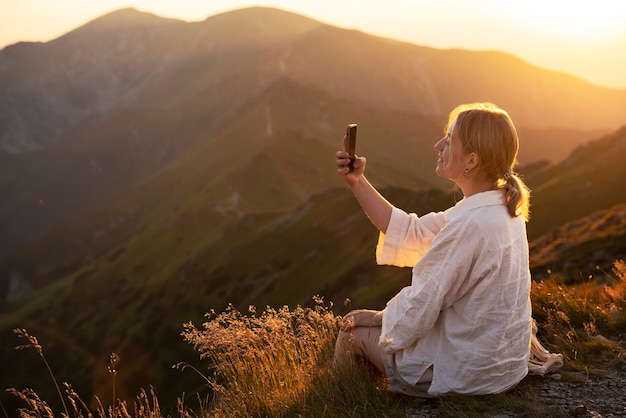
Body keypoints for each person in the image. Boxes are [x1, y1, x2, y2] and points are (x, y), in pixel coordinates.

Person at [333, 102, 534, 397]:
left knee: (350, 335)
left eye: (449, 139)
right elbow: (411, 231)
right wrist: (357, 181)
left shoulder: (471, 224)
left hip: (470, 374)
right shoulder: (499, 207)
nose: (438, 144)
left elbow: (421, 305)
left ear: (471, 160)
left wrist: (378, 317)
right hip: (499, 365)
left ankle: (339, 405)